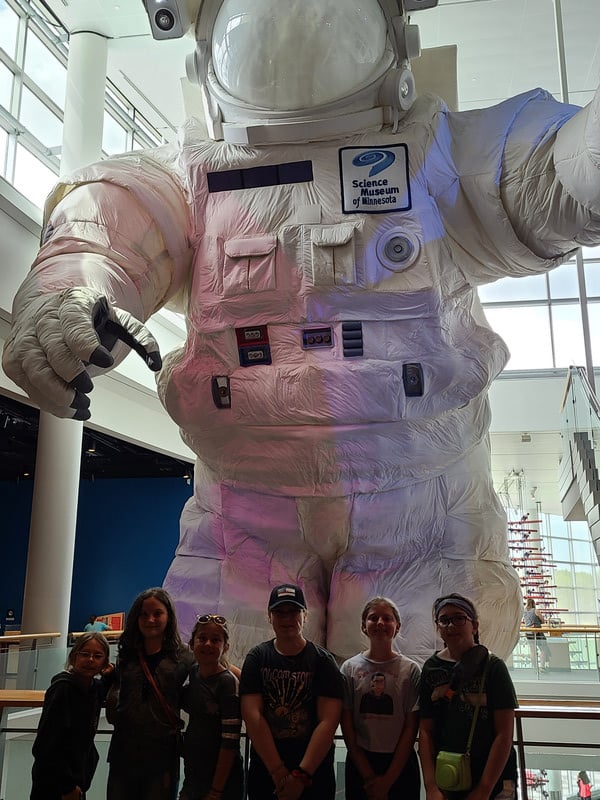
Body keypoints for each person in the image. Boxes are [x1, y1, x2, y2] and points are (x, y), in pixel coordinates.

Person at [6, 1, 600, 665]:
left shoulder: (437, 155)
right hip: (246, 512)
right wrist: (73, 293)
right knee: (231, 690)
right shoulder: (195, 175)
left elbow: (549, 172)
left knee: (425, 692)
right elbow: (109, 225)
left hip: (422, 504)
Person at [239, 583, 344, 799]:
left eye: (294, 611)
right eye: (279, 612)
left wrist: (301, 775)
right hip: (266, 773)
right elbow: (252, 715)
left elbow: (329, 722)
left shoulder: (324, 662)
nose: (287, 618)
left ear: (305, 615)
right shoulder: (256, 658)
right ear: (269, 616)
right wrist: (278, 771)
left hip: (314, 776)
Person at [419, 593, 518, 800]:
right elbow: (426, 730)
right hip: (449, 774)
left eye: (459, 618)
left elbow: (504, 734)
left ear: (474, 625)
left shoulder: (494, 667)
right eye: (444, 620)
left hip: (492, 779)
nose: (451, 625)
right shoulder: (431, 668)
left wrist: (484, 789)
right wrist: (430, 787)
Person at [106, 587, 194, 800]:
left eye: (157, 613)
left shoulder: (184, 656)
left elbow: (215, 669)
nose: (150, 619)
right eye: (144, 614)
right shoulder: (127, 654)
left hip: (161, 754)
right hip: (123, 751)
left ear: (169, 616)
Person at [341, 597, 420, 800]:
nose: (380, 623)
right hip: (361, 762)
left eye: (387, 618)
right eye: (373, 618)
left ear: (397, 626)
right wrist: (368, 775)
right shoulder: (349, 668)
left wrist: (387, 781)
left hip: (400, 763)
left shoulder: (410, 670)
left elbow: (411, 728)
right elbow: (348, 725)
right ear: (363, 626)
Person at [30, 631, 112, 800]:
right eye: (85, 654)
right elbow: (46, 744)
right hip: (55, 785)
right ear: (74, 656)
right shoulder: (63, 690)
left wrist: (110, 675)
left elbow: (104, 685)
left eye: (97, 656)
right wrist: (67, 787)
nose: (90, 660)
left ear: (104, 662)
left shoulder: (93, 689)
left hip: (77, 780)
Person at [179, 613, 243, 800]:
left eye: (215, 640)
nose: (208, 644)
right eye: (202, 638)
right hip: (193, 774)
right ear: (192, 644)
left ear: (225, 647)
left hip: (222, 781)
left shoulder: (227, 683)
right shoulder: (193, 673)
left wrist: (216, 790)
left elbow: (230, 741)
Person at [523, 599, 551, 672]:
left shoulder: (524, 612)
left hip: (528, 633)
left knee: (532, 651)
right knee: (543, 649)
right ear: (533, 603)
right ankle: (542, 667)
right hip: (537, 632)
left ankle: (535, 668)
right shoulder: (536, 611)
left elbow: (524, 621)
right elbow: (543, 620)